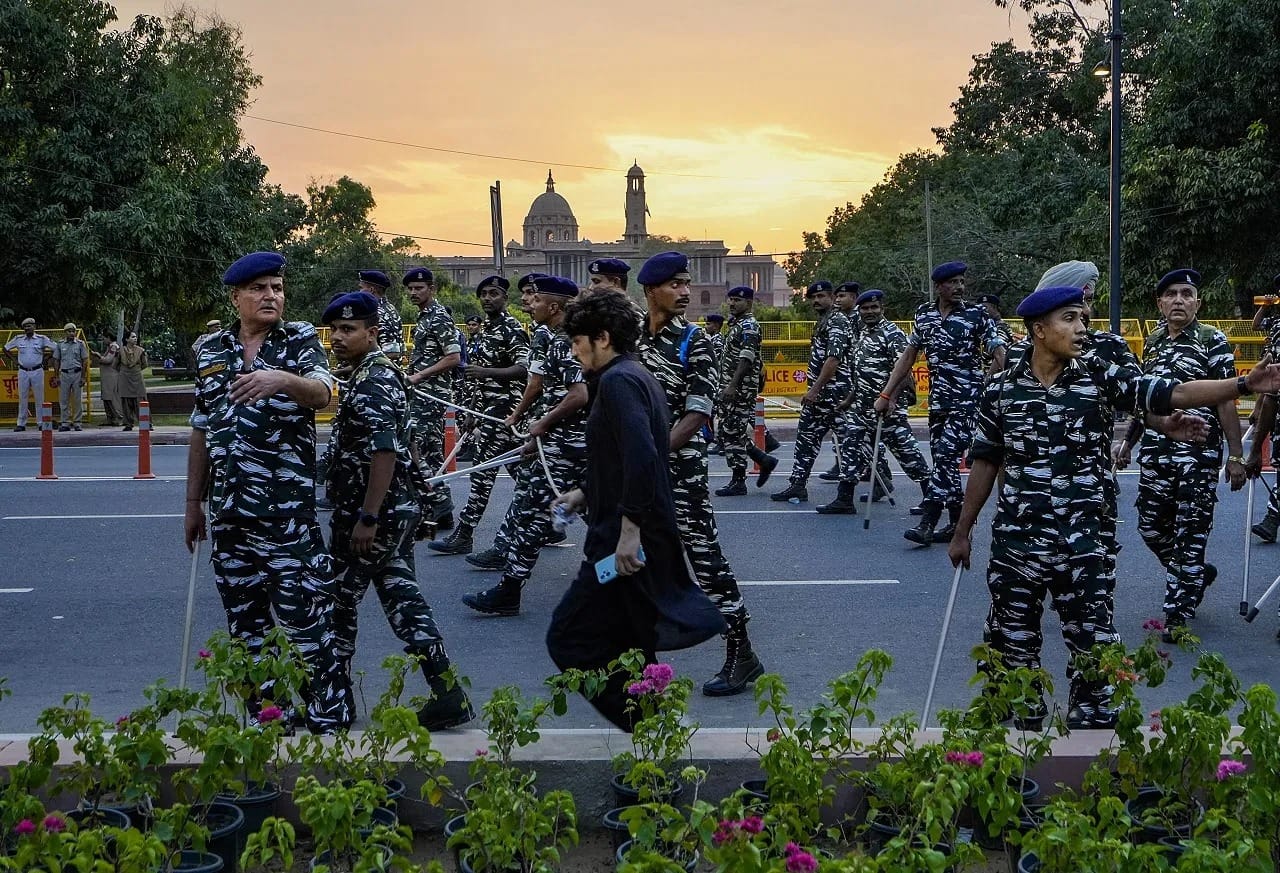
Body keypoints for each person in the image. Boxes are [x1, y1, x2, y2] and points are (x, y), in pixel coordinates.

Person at [949, 285, 1280, 729]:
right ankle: (1022, 730)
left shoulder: (1099, 375)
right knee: (1012, 642)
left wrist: (1242, 384)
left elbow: (1172, 392)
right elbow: (986, 461)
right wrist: (963, 531)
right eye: (1069, 319)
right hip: (1018, 544)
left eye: (1082, 318)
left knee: (1094, 645)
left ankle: (1090, 730)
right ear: (1039, 330)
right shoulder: (1000, 389)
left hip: (1085, 542)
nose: (1081, 328)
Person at [184, 251, 353, 734]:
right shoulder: (211, 351)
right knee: (247, 626)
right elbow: (201, 428)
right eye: (259, 288)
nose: (270, 296)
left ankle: (329, 717)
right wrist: (193, 503)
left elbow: (324, 393)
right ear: (236, 297)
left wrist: (281, 379)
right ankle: (270, 718)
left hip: (286, 516)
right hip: (230, 515)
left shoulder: (298, 340)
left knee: (307, 620)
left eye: (277, 288)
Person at [547, 290, 725, 731]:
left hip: (621, 542)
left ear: (603, 338)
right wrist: (583, 493)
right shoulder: (634, 374)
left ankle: (650, 726)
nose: (574, 352)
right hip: (634, 530)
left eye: (578, 342)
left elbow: (644, 456)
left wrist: (629, 532)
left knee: (567, 637)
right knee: (629, 639)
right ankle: (657, 739)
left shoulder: (619, 382)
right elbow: (621, 456)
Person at [319, 291, 474, 730]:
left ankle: (334, 700)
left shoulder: (373, 380)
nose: (338, 338)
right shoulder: (375, 373)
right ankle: (448, 693)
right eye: (335, 330)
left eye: (348, 330)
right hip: (393, 510)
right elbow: (407, 446)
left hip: (373, 516)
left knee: (338, 603)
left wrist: (368, 518)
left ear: (372, 333)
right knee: (403, 599)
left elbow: (385, 452)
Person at [636, 251, 764, 697]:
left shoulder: (696, 341)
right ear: (651, 290)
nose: (686, 292)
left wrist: (650, 456)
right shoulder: (630, 341)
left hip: (680, 472)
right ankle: (641, 662)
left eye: (687, 283)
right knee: (632, 563)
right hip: (640, 473)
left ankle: (742, 653)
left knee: (706, 561)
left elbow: (697, 414)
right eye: (675, 284)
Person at [1112, 269, 1242, 639]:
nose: (1179, 300)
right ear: (1160, 303)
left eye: (1187, 294)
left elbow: (1226, 398)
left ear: (1198, 303)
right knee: (1150, 527)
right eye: (1171, 294)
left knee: (1190, 532)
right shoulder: (1153, 342)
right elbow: (1145, 398)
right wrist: (1128, 442)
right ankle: (1194, 575)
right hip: (1157, 453)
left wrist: (1235, 455)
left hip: (1198, 455)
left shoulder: (1211, 340)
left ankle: (1177, 615)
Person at [462, 275, 589, 613]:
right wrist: (535, 430)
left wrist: (542, 424)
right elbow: (552, 392)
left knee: (535, 513)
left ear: (555, 307)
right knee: (577, 512)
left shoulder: (564, 341)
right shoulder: (569, 338)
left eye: (538, 300)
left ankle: (509, 590)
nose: (531, 305)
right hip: (564, 443)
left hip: (567, 446)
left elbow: (578, 395)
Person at [874, 262, 1006, 545]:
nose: (959, 287)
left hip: (967, 401)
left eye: (962, 282)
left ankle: (928, 521)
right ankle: (956, 524)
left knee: (946, 456)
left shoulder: (976, 314)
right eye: (953, 282)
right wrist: (886, 394)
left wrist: (1002, 381)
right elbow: (908, 356)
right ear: (938, 286)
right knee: (943, 462)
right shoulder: (924, 314)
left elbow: (997, 349)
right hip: (938, 402)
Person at [428, 275, 529, 555]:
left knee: (482, 475)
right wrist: (473, 411)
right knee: (524, 475)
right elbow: (477, 378)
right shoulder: (485, 330)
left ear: (504, 298)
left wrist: (487, 372)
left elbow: (524, 368)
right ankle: (551, 521)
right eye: (483, 294)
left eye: (493, 293)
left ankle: (464, 534)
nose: (487, 298)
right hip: (488, 411)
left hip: (505, 411)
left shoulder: (511, 329)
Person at [823, 290, 932, 514]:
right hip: (862, 409)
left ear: (882, 309)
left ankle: (932, 498)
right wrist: (848, 401)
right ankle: (844, 499)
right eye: (865, 308)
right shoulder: (862, 334)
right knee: (851, 448)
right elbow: (860, 374)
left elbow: (904, 371)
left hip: (887, 409)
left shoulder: (892, 334)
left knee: (908, 454)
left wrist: (890, 398)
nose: (869, 312)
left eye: (874, 308)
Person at [772, 280, 854, 503]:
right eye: (813, 297)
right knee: (806, 439)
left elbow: (834, 359)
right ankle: (798, 485)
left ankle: (874, 480)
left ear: (832, 298)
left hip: (836, 395)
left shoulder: (837, 321)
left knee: (852, 441)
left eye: (821, 296)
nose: (816, 301)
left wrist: (815, 389)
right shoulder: (824, 321)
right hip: (819, 397)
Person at [403, 267, 460, 533]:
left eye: (419, 288)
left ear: (431, 289)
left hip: (431, 395)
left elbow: (453, 357)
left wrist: (419, 375)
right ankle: (441, 511)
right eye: (411, 289)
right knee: (432, 454)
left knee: (414, 448)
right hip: (422, 393)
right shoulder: (424, 317)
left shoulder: (438, 317)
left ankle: (437, 503)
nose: (414, 293)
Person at [713, 285, 777, 496]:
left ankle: (739, 480)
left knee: (731, 431)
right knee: (730, 430)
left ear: (749, 303)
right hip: (731, 386)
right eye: (730, 299)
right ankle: (763, 460)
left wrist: (733, 385)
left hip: (740, 388)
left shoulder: (749, 326)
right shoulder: (737, 324)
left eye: (737, 300)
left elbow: (746, 358)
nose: (732, 303)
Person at [4, 317, 54, 431]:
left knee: (39, 397)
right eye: (25, 327)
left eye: (29, 326)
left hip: (37, 371)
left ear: (34, 327)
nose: (27, 328)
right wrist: (14, 360)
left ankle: (41, 423)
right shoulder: (18, 339)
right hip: (23, 371)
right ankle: (21, 423)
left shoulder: (42, 339)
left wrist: (47, 358)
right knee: (22, 397)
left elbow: (56, 348)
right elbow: (5, 348)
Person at [357, 270, 404, 358]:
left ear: (371, 290)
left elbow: (391, 352)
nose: (359, 292)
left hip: (380, 366)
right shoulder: (390, 308)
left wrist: (365, 362)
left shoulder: (379, 313)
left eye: (361, 288)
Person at [53, 323, 89, 431]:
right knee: (64, 400)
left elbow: (85, 360)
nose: (71, 333)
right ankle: (65, 422)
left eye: (73, 331)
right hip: (64, 374)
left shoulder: (80, 344)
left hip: (77, 373)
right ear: (65, 332)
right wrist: (56, 376)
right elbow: (56, 360)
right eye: (69, 331)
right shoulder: (60, 344)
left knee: (77, 399)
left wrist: (83, 377)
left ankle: (77, 422)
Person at [115, 331, 149, 431]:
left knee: (141, 400)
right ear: (127, 339)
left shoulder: (140, 351)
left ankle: (146, 423)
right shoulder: (120, 351)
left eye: (135, 337)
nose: (135, 338)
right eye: (133, 337)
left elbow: (145, 364)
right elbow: (115, 365)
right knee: (126, 401)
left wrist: (135, 370)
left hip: (137, 377)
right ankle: (128, 423)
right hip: (124, 378)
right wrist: (124, 371)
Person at [93, 340, 123, 427]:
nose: (103, 340)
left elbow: (108, 360)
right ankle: (110, 418)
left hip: (111, 377)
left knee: (112, 398)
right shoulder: (109, 347)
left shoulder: (114, 347)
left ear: (108, 337)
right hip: (106, 376)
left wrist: (98, 356)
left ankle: (118, 418)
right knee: (106, 398)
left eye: (104, 338)